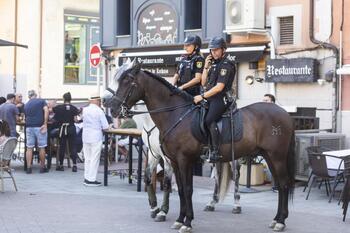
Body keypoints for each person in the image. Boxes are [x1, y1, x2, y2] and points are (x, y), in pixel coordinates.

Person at [194, 36, 236, 163]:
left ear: (223, 50)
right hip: (210, 97)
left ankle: (215, 151)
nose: (214, 52)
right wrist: (206, 67)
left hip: (221, 98)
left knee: (209, 119)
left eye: (216, 50)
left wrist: (201, 96)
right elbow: (203, 82)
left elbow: (219, 87)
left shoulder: (226, 64)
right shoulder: (213, 64)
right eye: (212, 50)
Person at [82, 92, 109, 186]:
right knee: (94, 158)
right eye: (100, 100)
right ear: (97, 101)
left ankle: (87, 177)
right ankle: (91, 179)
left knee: (87, 158)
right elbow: (105, 126)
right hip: (96, 136)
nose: (100, 102)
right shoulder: (99, 111)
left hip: (85, 136)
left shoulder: (85, 110)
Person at [24, 90, 49, 174]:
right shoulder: (41, 101)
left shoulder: (26, 104)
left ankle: (28, 168)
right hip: (39, 126)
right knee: (42, 147)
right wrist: (45, 123)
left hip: (29, 126)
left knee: (29, 147)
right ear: (36, 95)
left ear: (29, 96)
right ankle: (42, 167)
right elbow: (46, 110)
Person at [53, 92, 79, 172]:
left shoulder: (59, 107)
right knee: (73, 147)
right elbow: (75, 120)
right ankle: (74, 165)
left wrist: (55, 102)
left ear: (63, 99)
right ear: (70, 99)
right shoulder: (74, 108)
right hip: (71, 128)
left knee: (62, 147)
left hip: (62, 129)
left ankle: (61, 165)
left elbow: (53, 109)